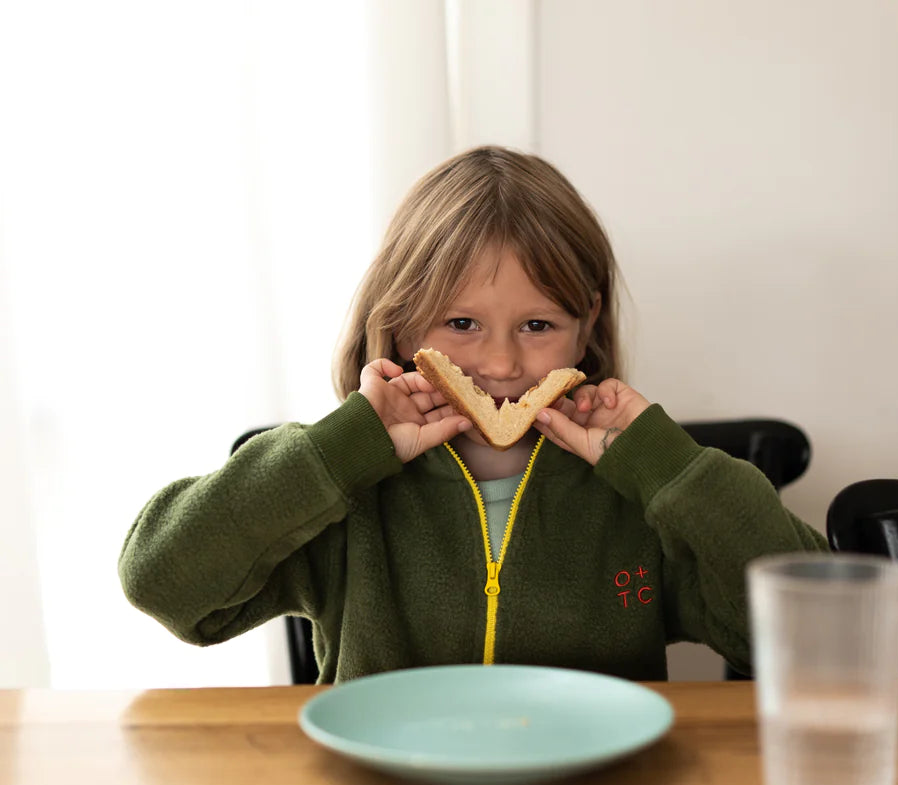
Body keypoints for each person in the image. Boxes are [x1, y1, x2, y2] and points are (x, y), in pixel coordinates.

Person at [119, 145, 826, 683]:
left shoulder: (637, 497)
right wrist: (335, 455)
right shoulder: (342, 489)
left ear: (587, 329)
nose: (501, 364)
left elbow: (817, 630)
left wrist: (666, 469)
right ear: (395, 326)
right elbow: (162, 584)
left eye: (537, 325)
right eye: (460, 323)